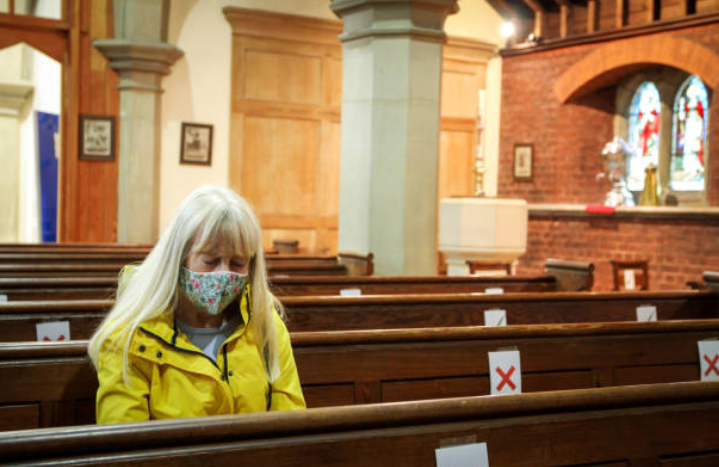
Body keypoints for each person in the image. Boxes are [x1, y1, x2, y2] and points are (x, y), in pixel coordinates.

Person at [88, 186, 305, 423]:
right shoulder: (129, 335)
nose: (224, 275)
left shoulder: (264, 322)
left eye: (238, 263)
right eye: (210, 261)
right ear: (179, 257)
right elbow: (125, 446)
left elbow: (289, 422)